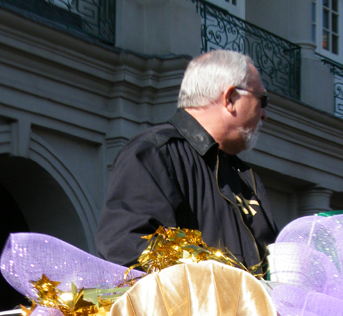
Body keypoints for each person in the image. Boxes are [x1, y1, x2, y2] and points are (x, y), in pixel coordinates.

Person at [95, 49, 278, 273]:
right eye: (262, 100)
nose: (264, 114)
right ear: (230, 98)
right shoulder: (155, 153)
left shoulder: (246, 178)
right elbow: (128, 247)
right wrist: (218, 290)